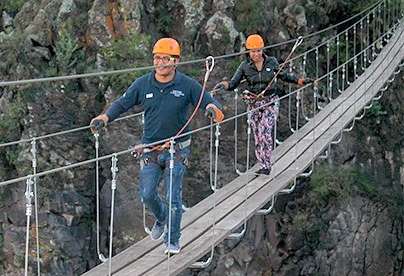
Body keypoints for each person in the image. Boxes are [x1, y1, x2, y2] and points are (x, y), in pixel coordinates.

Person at [90, 38, 224, 254]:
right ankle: (161, 218)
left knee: (173, 197)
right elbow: (123, 103)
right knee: (146, 194)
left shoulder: (187, 85)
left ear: (175, 61)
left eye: (165, 58)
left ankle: (172, 241)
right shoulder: (144, 84)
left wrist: (212, 109)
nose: (160, 62)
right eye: (157, 58)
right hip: (150, 149)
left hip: (177, 149)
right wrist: (105, 118)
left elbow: (209, 100)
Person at [213, 34, 314, 176]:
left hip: (270, 101)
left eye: (258, 50)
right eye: (253, 51)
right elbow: (233, 84)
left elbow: (283, 75)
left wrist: (299, 81)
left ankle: (267, 165)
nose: (256, 54)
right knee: (257, 134)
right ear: (248, 52)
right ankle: (262, 164)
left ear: (263, 50)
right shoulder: (245, 67)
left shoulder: (271, 62)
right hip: (254, 103)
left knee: (264, 130)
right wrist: (223, 85)